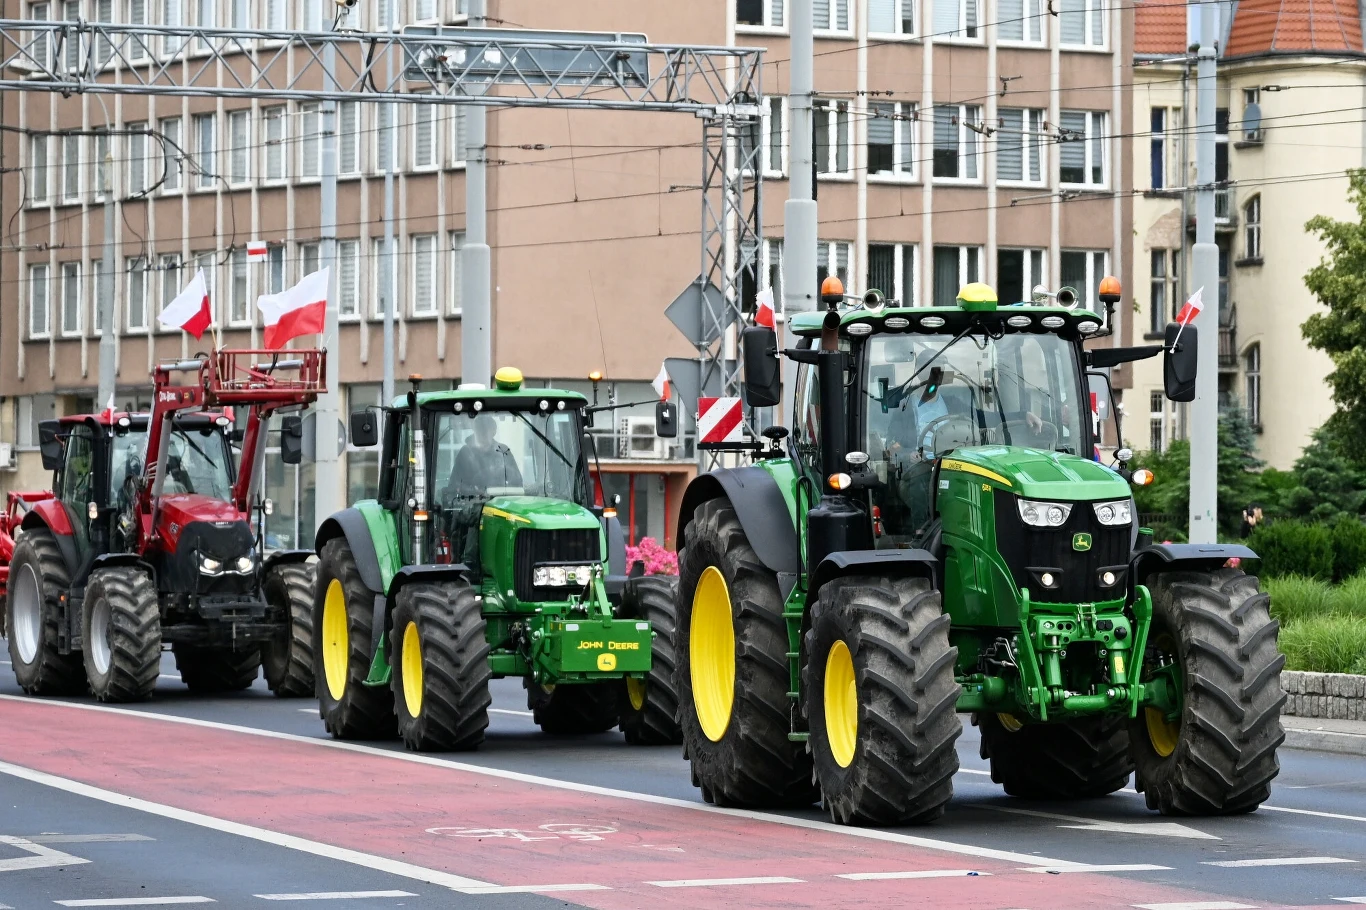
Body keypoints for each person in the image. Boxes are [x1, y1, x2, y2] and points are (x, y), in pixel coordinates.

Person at [449, 413, 523, 496]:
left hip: (501, 503)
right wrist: (475, 491)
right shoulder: (465, 453)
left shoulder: (503, 451)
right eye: (479, 428)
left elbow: (517, 482)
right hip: (472, 504)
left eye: (485, 428)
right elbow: (455, 484)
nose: (482, 432)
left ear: (494, 431)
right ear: (474, 430)